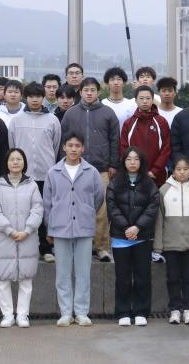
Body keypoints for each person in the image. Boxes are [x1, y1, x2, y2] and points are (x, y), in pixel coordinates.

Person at [44, 134, 105, 327]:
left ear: (83, 148)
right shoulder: (53, 172)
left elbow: (98, 197)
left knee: (83, 273)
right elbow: (47, 202)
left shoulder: (91, 172)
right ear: (63, 147)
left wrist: (86, 212)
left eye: (77, 145)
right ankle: (65, 312)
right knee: (62, 273)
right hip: (60, 228)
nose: (73, 149)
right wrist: (50, 227)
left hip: (84, 228)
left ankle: (81, 312)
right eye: (70, 145)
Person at [59, 77, 119, 262]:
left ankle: (102, 247)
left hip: (101, 168)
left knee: (101, 210)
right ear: (80, 92)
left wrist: (113, 164)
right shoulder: (71, 114)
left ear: (98, 92)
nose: (90, 93)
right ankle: (78, 245)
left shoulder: (108, 113)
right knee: (76, 208)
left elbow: (115, 140)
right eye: (86, 90)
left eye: (93, 90)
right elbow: (63, 140)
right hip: (75, 168)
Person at [0, 148, 45, 328]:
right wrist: (9, 230)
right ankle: (7, 315)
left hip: (27, 237)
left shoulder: (32, 185)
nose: (15, 162)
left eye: (19, 159)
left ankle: (22, 315)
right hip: (4, 238)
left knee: (26, 279)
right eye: (12, 159)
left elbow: (38, 209)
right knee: (3, 279)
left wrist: (27, 230)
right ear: (6, 163)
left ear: (24, 163)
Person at [8, 82, 62, 261]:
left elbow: (56, 146)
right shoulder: (17, 120)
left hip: (46, 175)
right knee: (24, 211)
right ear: (26, 98)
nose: (35, 100)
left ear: (43, 98)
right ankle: (26, 248)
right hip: (23, 175)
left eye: (38, 96)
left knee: (45, 211)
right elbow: (12, 146)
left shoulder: (53, 120)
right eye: (31, 96)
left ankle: (46, 248)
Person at [107, 147, 160, 326]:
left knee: (142, 276)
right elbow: (112, 207)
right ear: (123, 162)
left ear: (141, 162)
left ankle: (141, 311)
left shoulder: (149, 183)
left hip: (142, 237)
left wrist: (137, 227)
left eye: (136, 159)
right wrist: (126, 228)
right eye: (129, 159)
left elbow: (153, 206)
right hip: (120, 237)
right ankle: (123, 311)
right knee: (122, 277)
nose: (132, 162)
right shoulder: (115, 183)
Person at [153, 156, 189, 325]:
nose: (182, 172)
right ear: (173, 171)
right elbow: (159, 220)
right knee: (173, 278)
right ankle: (175, 309)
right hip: (171, 244)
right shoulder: (164, 190)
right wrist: (158, 245)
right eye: (178, 169)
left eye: (185, 169)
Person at [120, 85, 171, 186]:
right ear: (136, 100)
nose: (144, 101)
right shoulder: (128, 123)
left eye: (148, 98)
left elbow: (166, 148)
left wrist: (154, 171)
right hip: (134, 176)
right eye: (141, 98)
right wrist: (134, 169)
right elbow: (123, 148)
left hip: (157, 177)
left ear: (152, 100)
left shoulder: (161, 122)